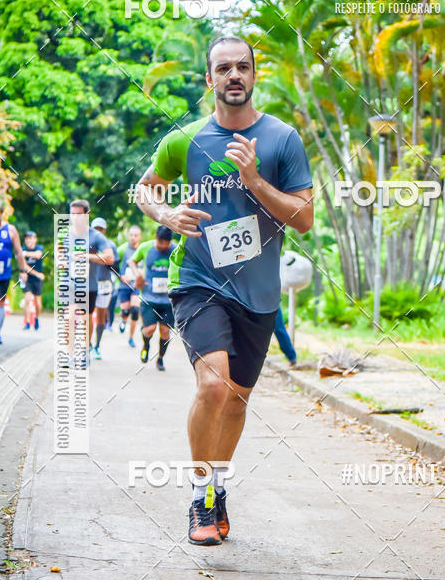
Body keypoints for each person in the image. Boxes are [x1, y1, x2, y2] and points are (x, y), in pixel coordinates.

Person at [135, 35, 313, 546]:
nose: (234, 75)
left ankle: (216, 488)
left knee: (235, 399)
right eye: (223, 68)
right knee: (213, 386)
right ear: (208, 80)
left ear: (254, 76)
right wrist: (166, 213)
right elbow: (145, 188)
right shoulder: (184, 140)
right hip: (197, 280)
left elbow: (304, 218)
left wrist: (255, 180)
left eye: (243, 67)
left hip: (257, 292)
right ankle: (197, 497)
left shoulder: (282, 140)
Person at [59, 200, 114, 365]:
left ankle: (84, 351)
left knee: (86, 318)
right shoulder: (66, 234)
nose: (75, 218)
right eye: (72, 214)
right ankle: (69, 354)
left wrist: (87, 256)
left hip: (89, 285)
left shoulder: (96, 236)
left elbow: (109, 257)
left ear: (86, 215)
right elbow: (59, 249)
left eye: (78, 214)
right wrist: (61, 260)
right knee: (68, 316)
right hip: (69, 283)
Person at [128, 225, 175, 372]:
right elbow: (131, 261)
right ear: (156, 237)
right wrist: (138, 275)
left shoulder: (175, 249)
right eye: (161, 243)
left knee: (165, 332)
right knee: (149, 329)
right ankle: (146, 346)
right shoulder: (145, 247)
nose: (163, 247)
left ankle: (160, 359)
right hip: (149, 297)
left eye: (166, 244)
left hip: (169, 300)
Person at [0, 200, 27, 344]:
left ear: (2, 214)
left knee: (0, 302)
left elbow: (19, 252)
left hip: (3, 274)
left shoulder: (10, 230)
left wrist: (22, 270)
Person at [90, 218, 118, 360]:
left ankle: (97, 346)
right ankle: (87, 344)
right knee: (86, 315)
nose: (98, 231)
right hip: (89, 283)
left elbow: (114, 265)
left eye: (100, 229)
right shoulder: (87, 244)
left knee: (101, 316)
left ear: (104, 230)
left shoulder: (110, 245)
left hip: (104, 283)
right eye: (96, 228)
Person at [116, 224, 142, 348]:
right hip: (123, 285)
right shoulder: (122, 249)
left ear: (139, 237)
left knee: (135, 310)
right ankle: (123, 319)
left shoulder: (142, 249)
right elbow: (112, 264)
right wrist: (120, 276)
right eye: (131, 235)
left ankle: (131, 338)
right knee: (125, 311)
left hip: (136, 285)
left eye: (135, 235)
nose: (133, 237)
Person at [22, 231, 44, 330]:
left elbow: (38, 255)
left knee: (38, 303)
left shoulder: (39, 247)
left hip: (37, 280)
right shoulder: (22, 249)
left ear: (35, 239)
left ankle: (37, 318)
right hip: (27, 278)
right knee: (27, 299)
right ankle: (27, 322)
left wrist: (25, 254)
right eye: (27, 238)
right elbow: (24, 266)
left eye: (30, 238)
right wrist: (37, 274)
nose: (28, 240)